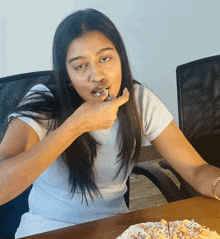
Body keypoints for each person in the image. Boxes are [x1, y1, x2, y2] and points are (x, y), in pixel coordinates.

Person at [0, 8, 220, 238]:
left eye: (105, 59)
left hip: (114, 227)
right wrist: (76, 125)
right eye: (80, 66)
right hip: (49, 227)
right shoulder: (45, 102)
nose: (97, 75)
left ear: (121, 59)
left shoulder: (139, 100)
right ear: (67, 74)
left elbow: (195, 169)